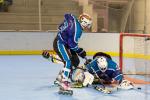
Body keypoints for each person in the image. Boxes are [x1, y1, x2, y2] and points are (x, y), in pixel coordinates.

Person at [42, 13, 92, 95]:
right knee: (67, 62)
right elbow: (72, 45)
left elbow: (67, 15)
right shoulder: (78, 31)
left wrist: (63, 29)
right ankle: (63, 84)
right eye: (88, 25)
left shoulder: (73, 18)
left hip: (64, 43)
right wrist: (80, 51)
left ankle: (60, 77)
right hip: (60, 43)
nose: (88, 27)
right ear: (84, 23)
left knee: (75, 61)